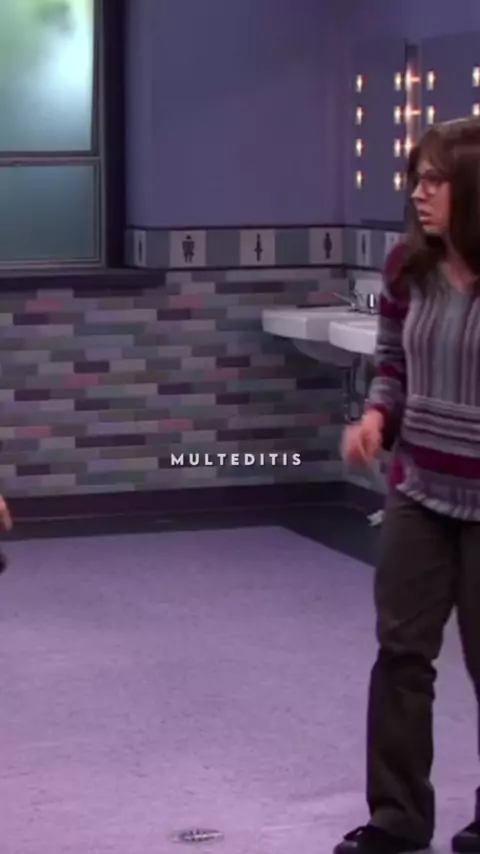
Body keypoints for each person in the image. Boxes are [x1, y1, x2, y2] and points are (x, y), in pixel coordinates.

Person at [336, 116, 480, 854]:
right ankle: (397, 818)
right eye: (415, 181)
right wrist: (375, 416)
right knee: (401, 655)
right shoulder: (407, 268)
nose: (419, 194)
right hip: (419, 489)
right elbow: (391, 362)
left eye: (434, 181)